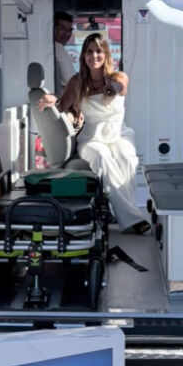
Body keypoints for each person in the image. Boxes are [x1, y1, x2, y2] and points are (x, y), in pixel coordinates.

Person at [38, 32, 149, 234]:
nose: (94, 56)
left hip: (119, 134)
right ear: (83, 56)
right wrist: (51, 99)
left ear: (106, 54)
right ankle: (134, 218)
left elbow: (120, 86)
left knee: (127, 158)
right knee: (103, 158)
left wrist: (112, 88)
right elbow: (62, 105)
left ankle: (121, 209)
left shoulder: (118, 77)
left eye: (98, 51)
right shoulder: (77, 81)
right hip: (92, 138)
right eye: (89, 52)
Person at [52, 12, 76, 95]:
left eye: (69, 30)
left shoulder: (54, 47)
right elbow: (70, 80)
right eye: (61, 29)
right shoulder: (57, 47)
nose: (67, 34)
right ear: (53, 29)